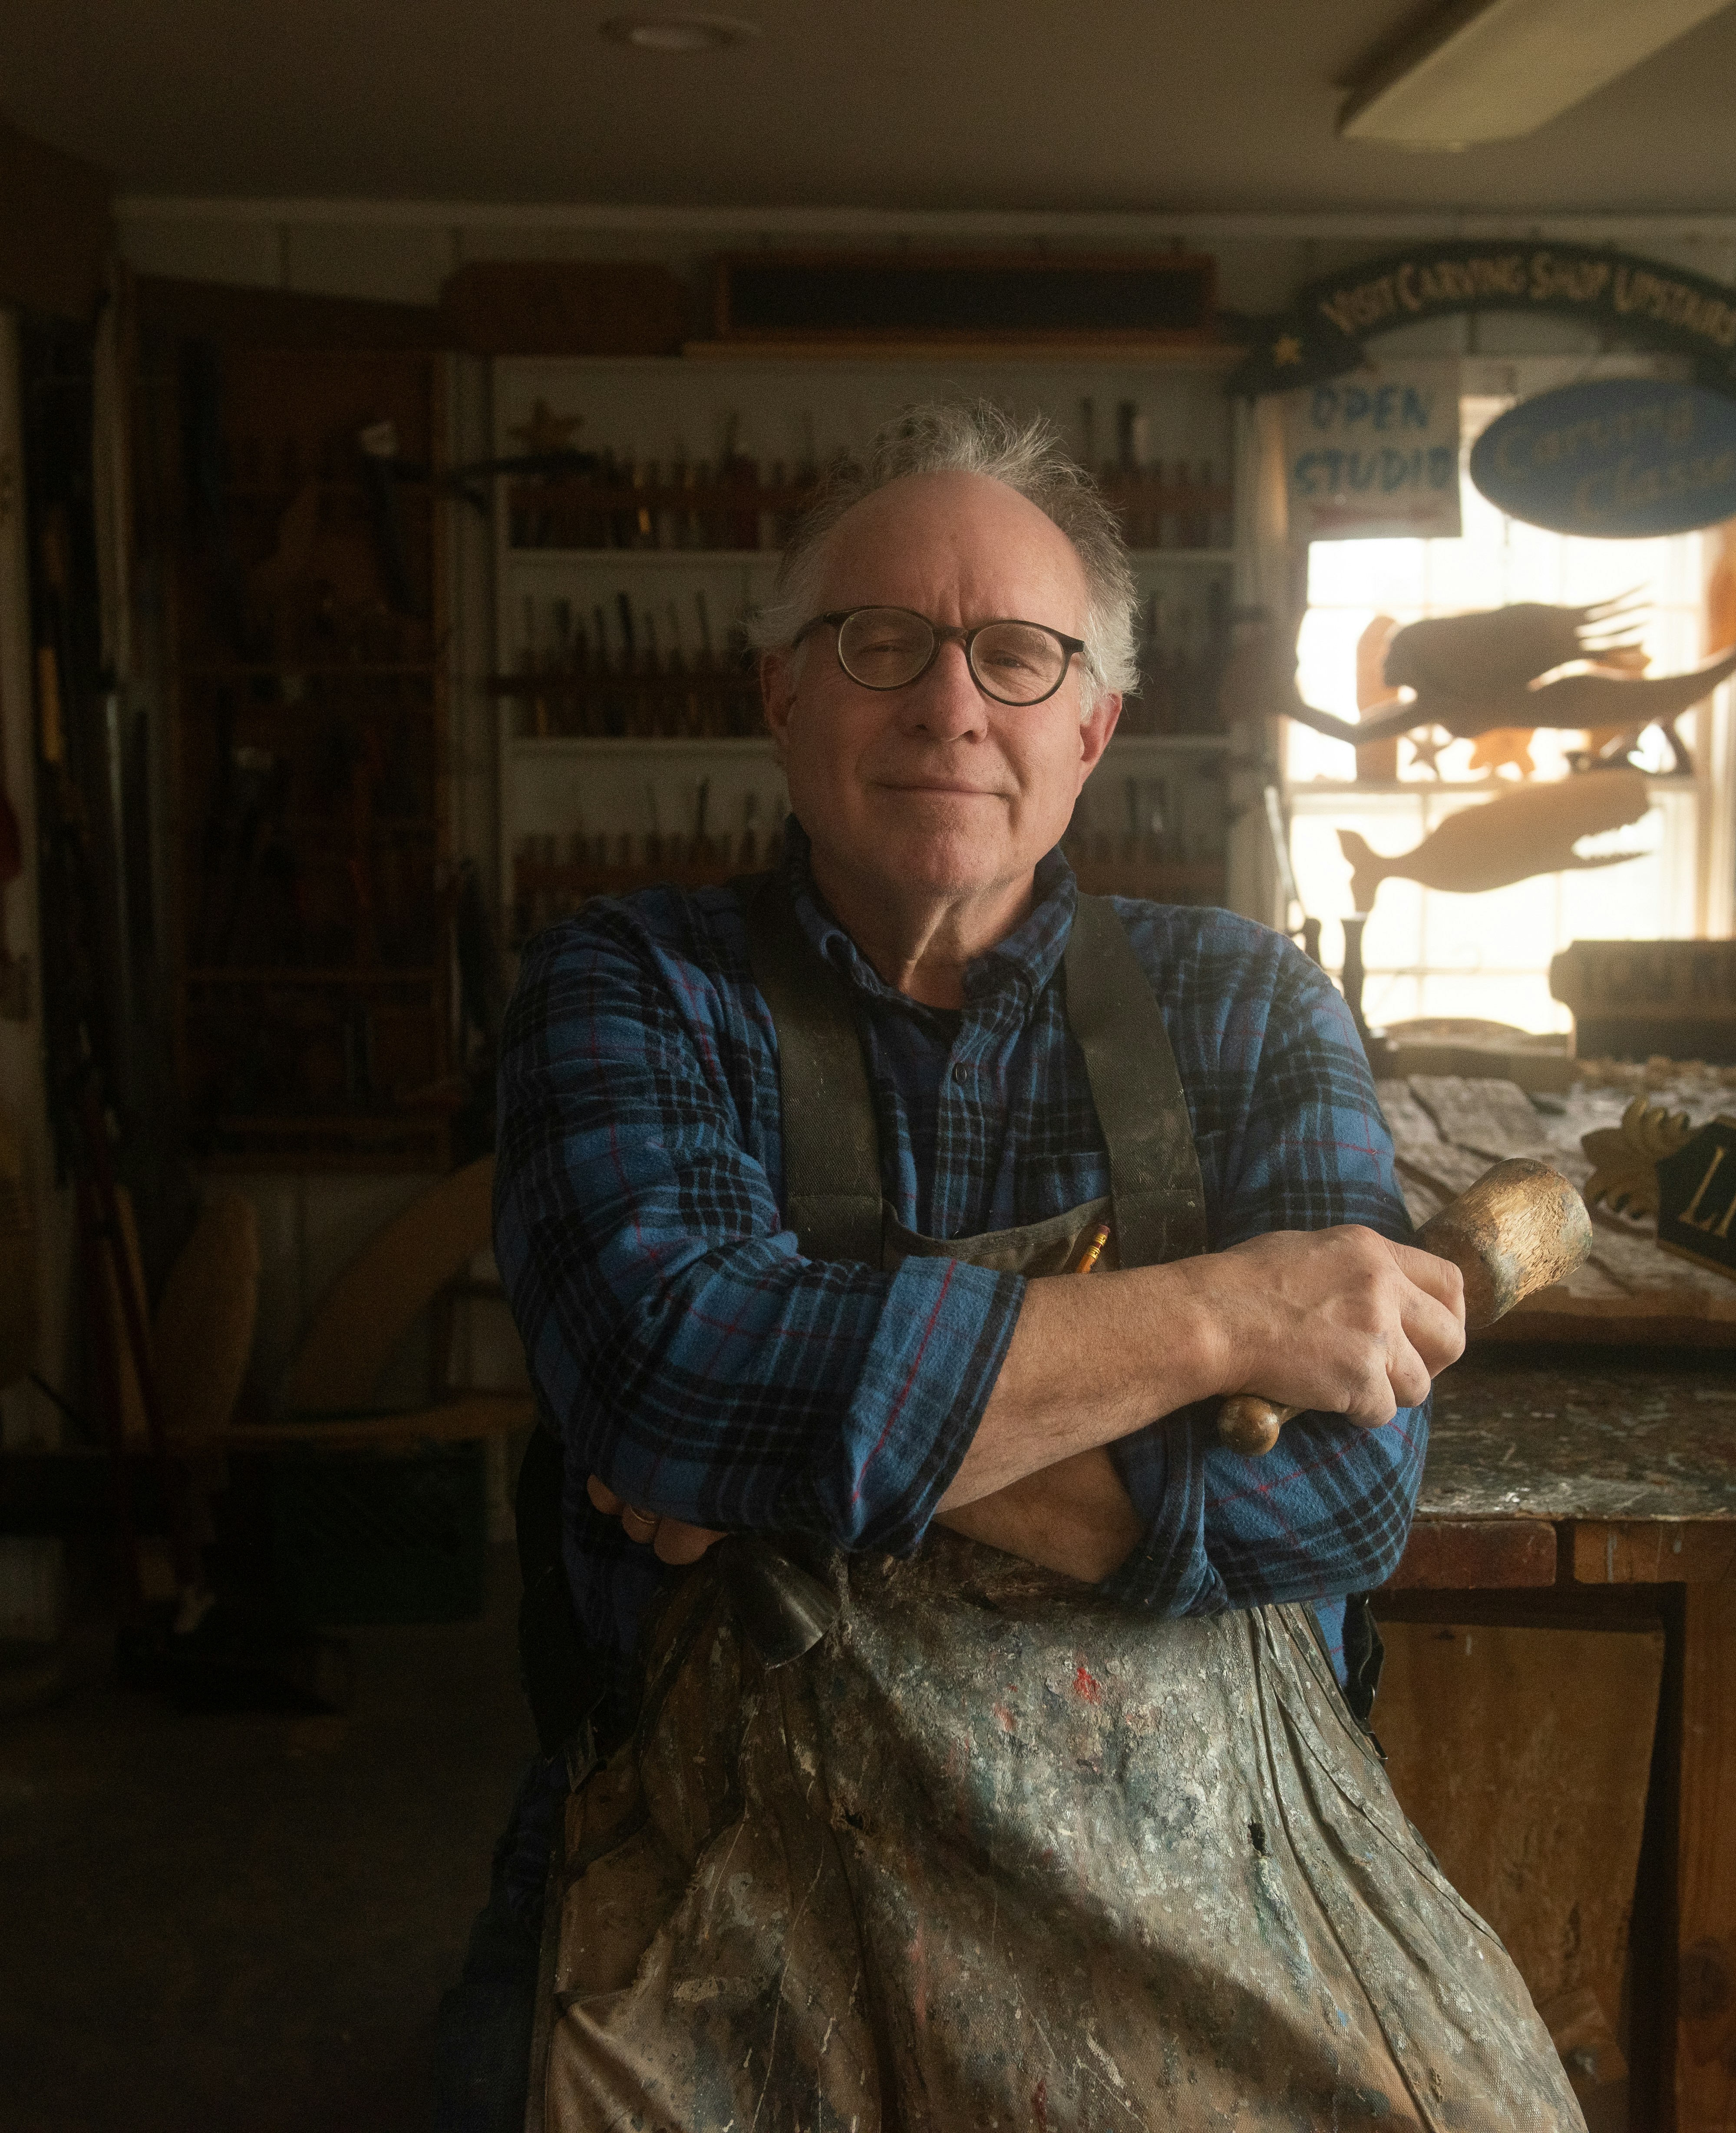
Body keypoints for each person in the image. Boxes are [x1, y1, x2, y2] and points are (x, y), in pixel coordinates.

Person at [452, 400, 1583, 2131]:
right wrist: (1226, 1316)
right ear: (783, 694)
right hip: (736, 1864)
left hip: (1223, 1870)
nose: (951, 703)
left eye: (1017, 656)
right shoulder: (627, 985)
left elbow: (1340, 1506)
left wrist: (773, 1470)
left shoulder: (1245, 1006)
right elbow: (665, 1375)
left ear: (1093, 725)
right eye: (882, 642)